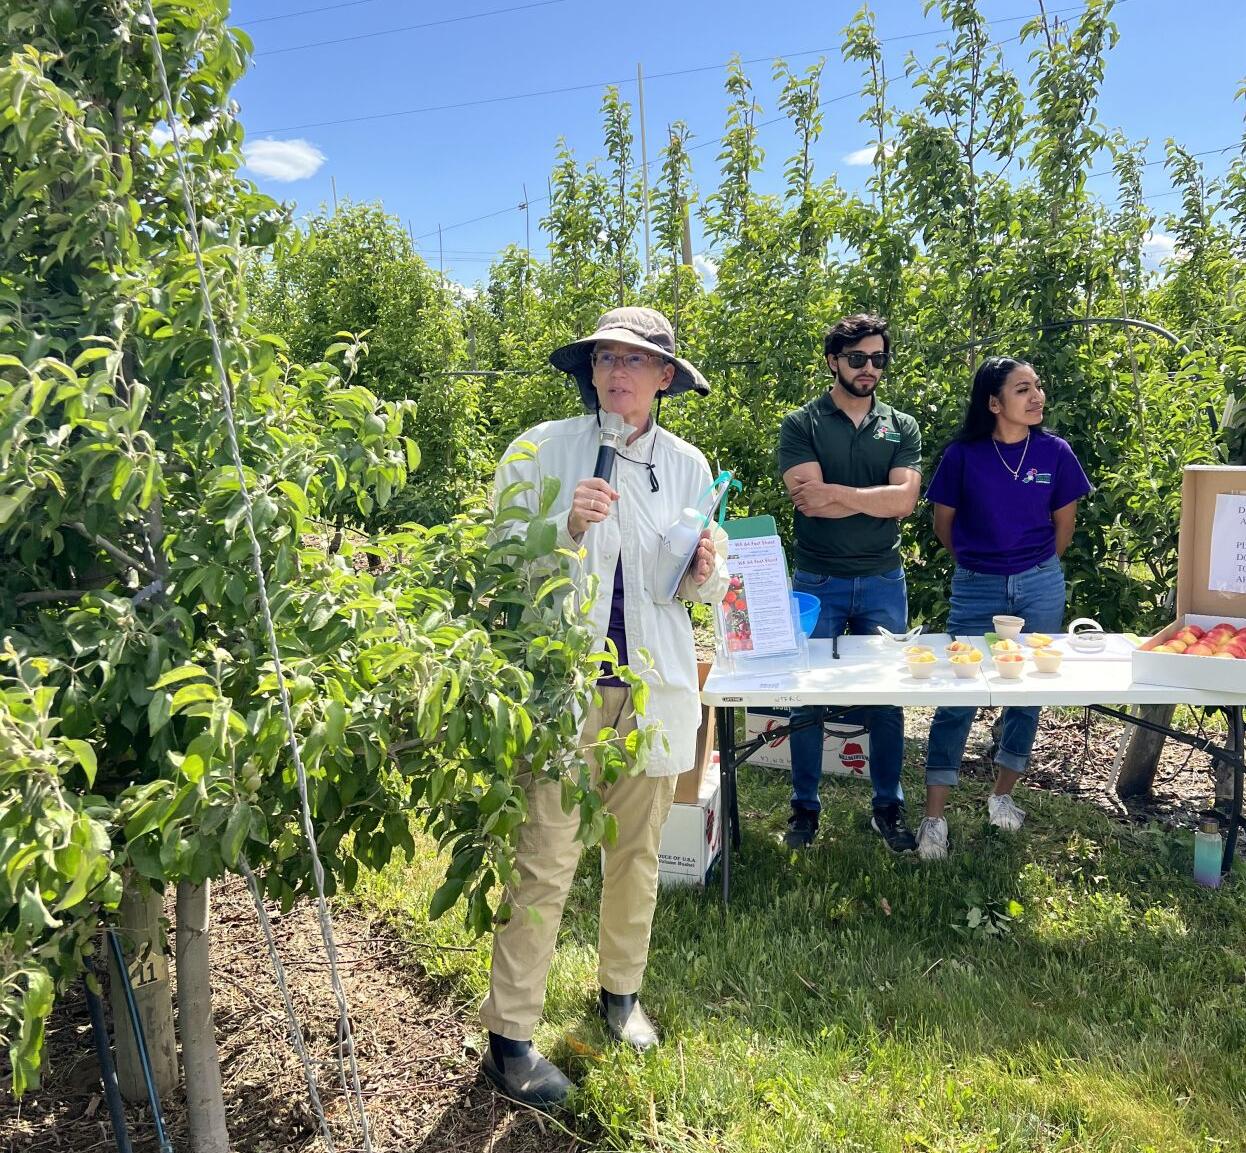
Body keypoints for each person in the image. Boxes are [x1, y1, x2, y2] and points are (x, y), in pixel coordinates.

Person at [479, 307, 728, 1108]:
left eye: (637, 360)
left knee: (637, 852)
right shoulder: (540, 449)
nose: (618, 371)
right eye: (606, 358)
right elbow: (494, 560)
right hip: (566, 684)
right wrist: (562, 526)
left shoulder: (689, 466)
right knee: (545, 855)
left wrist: (704, 569)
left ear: (665, 378)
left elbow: (691, 590)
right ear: (590, 370)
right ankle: (511, 1039)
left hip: (652, 687)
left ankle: (621, 996)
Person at [916, 356, 1092, 861]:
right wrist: (981, 566)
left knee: (1027, 692)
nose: (1036, 396)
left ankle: (1002, 797)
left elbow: (1064, 525)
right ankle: (934, 819)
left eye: (1037, 386)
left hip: (1039, 585)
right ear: (994, 403)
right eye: (1022, 389)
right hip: (977, 588)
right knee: (958, 695)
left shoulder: (1055, 453)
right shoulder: (963, 456)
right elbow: (943, 524)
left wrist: (1031, 569)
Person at [777, 314, 923, 851]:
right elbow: (807, 501)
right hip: (817, 581)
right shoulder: (801, 424)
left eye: (878, 358)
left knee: (887, 698)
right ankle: (804, 809)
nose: (869, 368)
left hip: (883, 579)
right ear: (834, 361)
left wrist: (839, 496)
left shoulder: (901, 426)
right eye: (857, 358)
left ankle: (888, 805)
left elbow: (904, 502)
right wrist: (873, 500)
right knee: (806, 696)